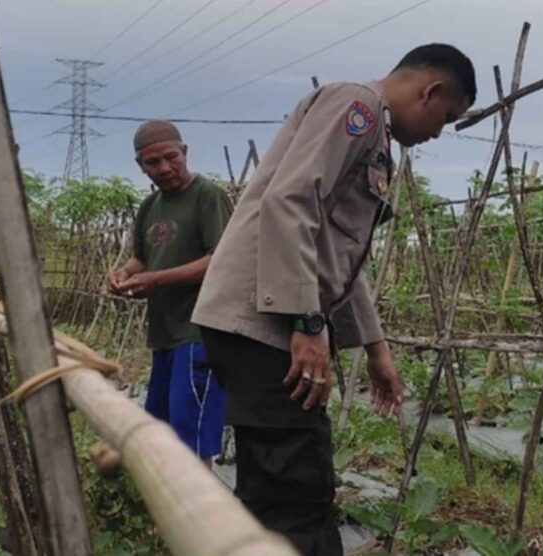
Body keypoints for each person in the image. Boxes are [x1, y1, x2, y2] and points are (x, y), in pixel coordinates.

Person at [192, 44, 477, 555]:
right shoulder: (358, 109)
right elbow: (290, 201)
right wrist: (305, 322)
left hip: (265, 317)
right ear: (430, 91)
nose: (438, 132)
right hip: (263, 318)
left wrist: (376, 349)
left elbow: (339, 256)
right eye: (446, 118)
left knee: (283, 482)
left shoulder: (375, 136)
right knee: (296, 487)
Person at [96, 120, 233, 470]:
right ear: (140, 166)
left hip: (198, 331)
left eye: (171, 157)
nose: (164, 168)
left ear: (184, 152)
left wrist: (155, 280)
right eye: (152, 163)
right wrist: (124, 274)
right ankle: (168, 512)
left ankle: (199, 516)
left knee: (191, 435)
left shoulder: (208, 197)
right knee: (161, 426)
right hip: (164, 334)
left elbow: (219, 262)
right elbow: (140, 257)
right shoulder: (150, 206)